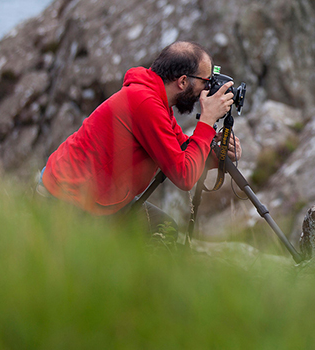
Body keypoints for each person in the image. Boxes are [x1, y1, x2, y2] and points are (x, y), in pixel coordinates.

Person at [39, 41, 238, 233]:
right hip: (68, 199)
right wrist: (207, 121)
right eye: (205, 82)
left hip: (98, 196)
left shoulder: (155, 100)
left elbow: (182, 150)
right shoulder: (145, 103)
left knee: (164, 228)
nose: (207, 89)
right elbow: (184, 175)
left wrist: (219, 155)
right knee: (160, 232)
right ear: (183, 81)